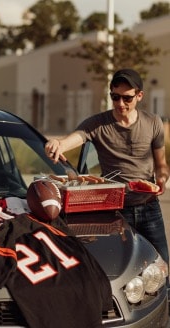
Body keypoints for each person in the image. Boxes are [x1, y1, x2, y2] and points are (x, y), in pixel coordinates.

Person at [45, 68, 170, 268]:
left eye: (127, 98)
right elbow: (74, 138)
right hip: (116, 209)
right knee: (120, 265)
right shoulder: (98, 124)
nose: (121, 103)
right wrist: (58, 144)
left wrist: (161, 179)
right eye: (115, 97)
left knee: (162, 263)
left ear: (139, 96)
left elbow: (161, 165)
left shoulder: (153, 123)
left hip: (149, 207)